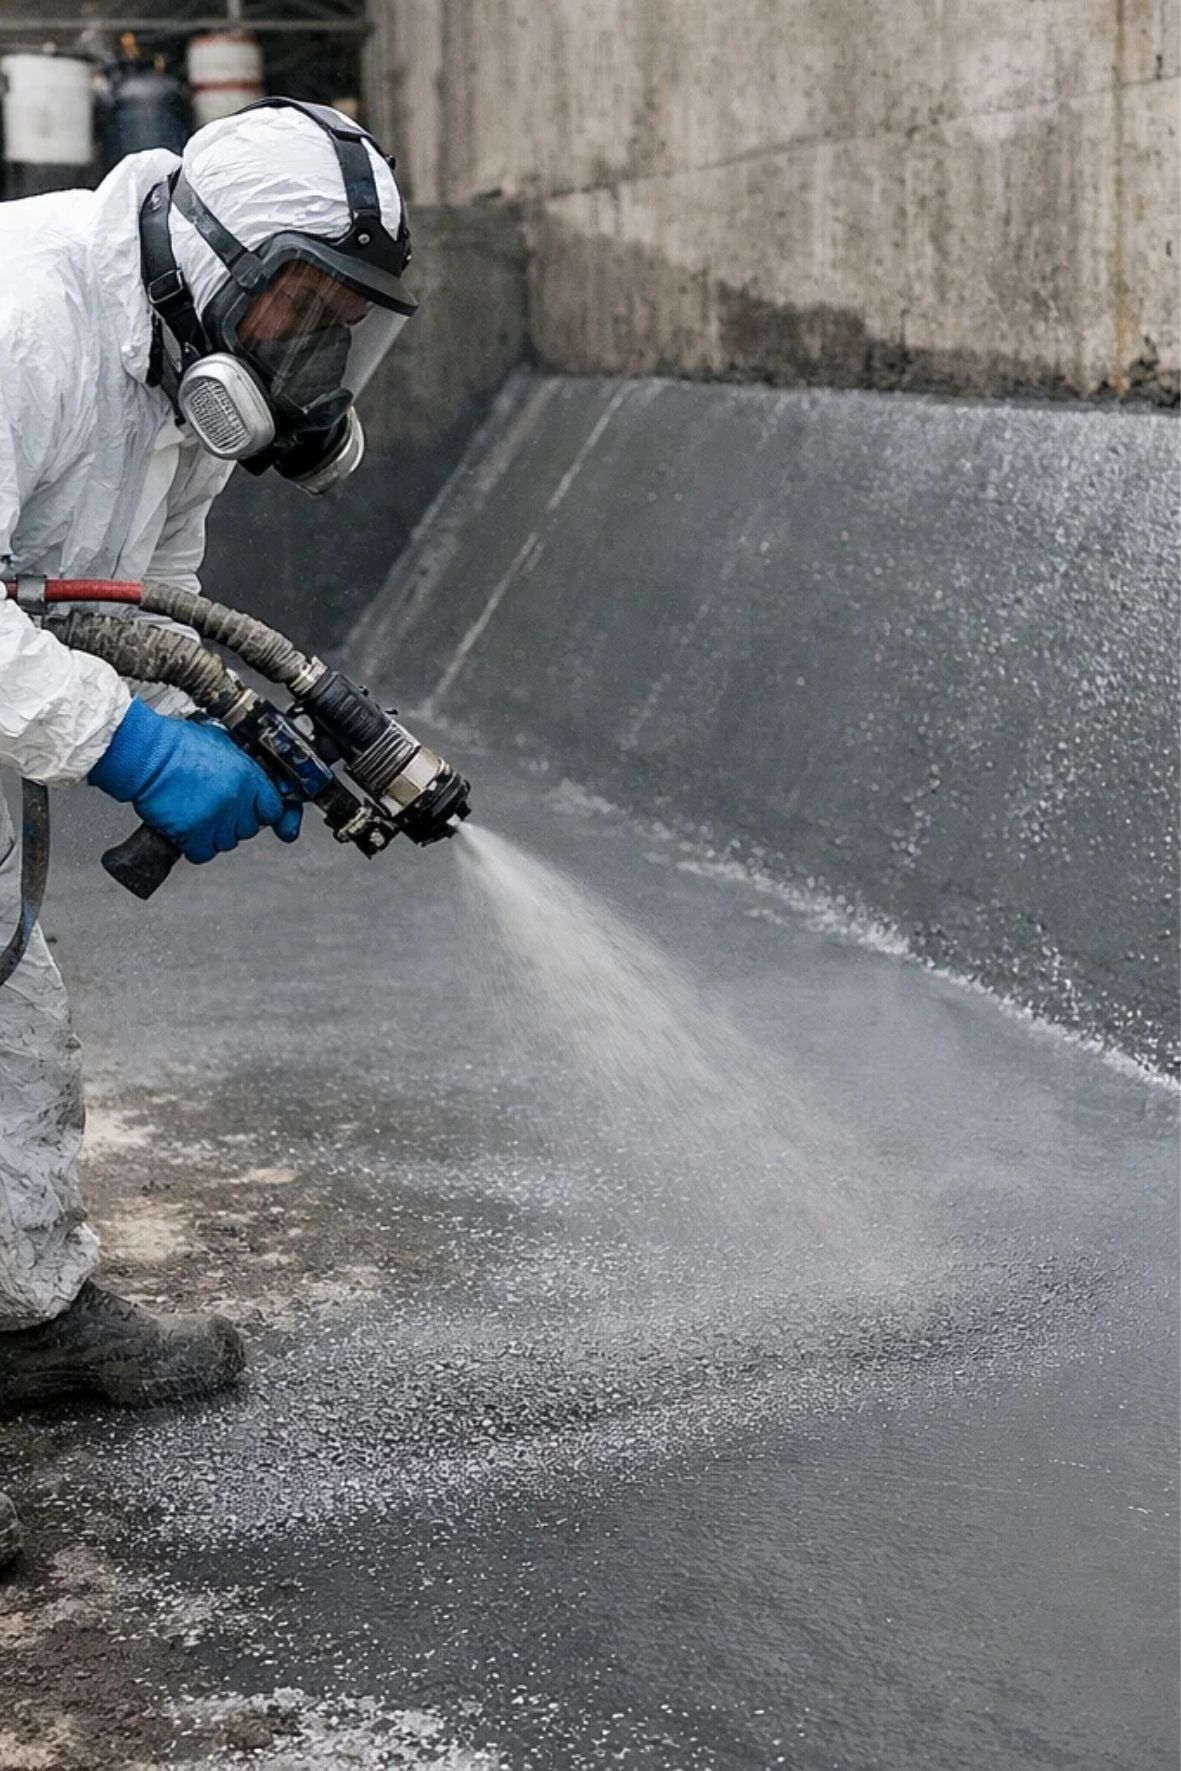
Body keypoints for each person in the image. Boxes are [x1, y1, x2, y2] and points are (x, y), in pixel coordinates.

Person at [0, 98, 417, 1566]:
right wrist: (121, 742)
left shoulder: (187, 363)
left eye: (342, 329)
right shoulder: (24, 317)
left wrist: (222, 716)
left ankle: (25, 1317)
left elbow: (145, 588)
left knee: (8, 995)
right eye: (300, 309)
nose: (310, 358)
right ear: (211, 256)